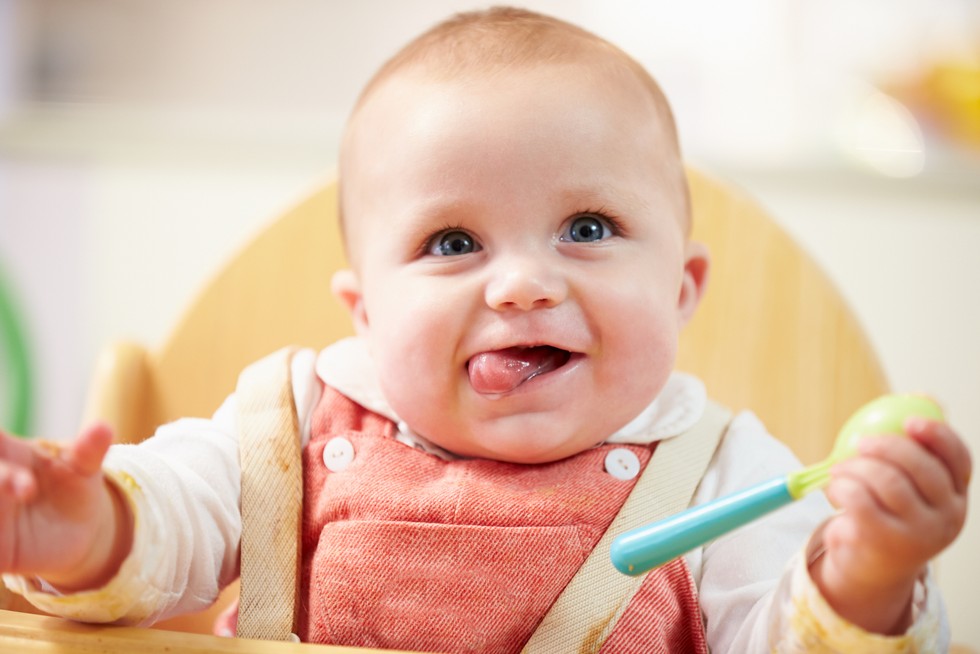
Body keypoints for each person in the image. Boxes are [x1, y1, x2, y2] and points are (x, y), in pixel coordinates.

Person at [0, 7, 971, 652]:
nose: (519, 284)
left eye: (587, 228)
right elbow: (172, 521)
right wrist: (85, 528)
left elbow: (778, 638)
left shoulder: (728, 473)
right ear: (366, 314)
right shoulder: (285, 425)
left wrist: (864, 577)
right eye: (451, 240)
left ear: (681, 290)